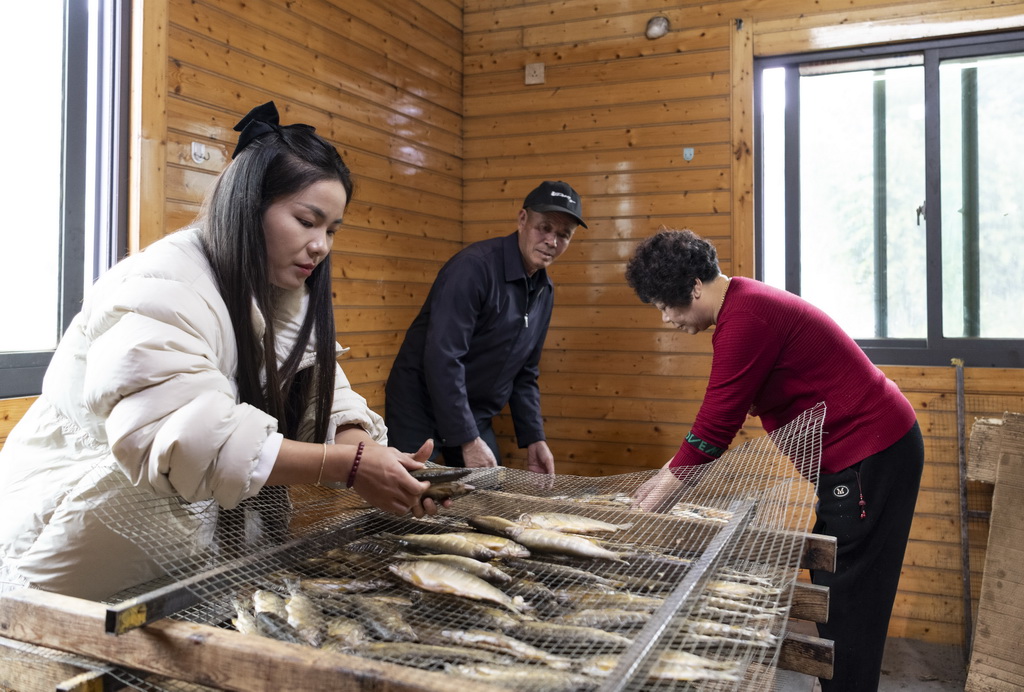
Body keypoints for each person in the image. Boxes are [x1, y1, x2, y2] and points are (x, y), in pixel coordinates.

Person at [0, 102, 438, 601]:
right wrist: (349, 467)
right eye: (306, 221)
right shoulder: (162, 285)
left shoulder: (281, 292)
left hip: (168, 557)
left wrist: (366, 450)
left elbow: (320, 390)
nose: (321, 245)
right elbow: (187, 439)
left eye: (331, 230)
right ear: (248, 206)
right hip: (67, 559)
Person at [625, 229, 924, 692]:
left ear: (695, 287)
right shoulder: (743, 305)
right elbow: (729, 409)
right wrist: (658, 483)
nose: (667, 318)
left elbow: (714, 428)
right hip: (866, 453)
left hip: (872, 451)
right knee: (834, 578)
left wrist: (654, 500)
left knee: (849, 595)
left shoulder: (745, 317)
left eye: (667, 306)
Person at [384, 181, 586, 471]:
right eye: (544, 228)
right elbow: (444, 357)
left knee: (488, 487)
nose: (552, 241)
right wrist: (468, 440)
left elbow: (525, 373)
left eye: (563, 235)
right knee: (407, 487)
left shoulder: (545, 290)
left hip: (474, 413)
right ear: (522, 220)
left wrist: (534, 438)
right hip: (419, 405)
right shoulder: (473, 267)